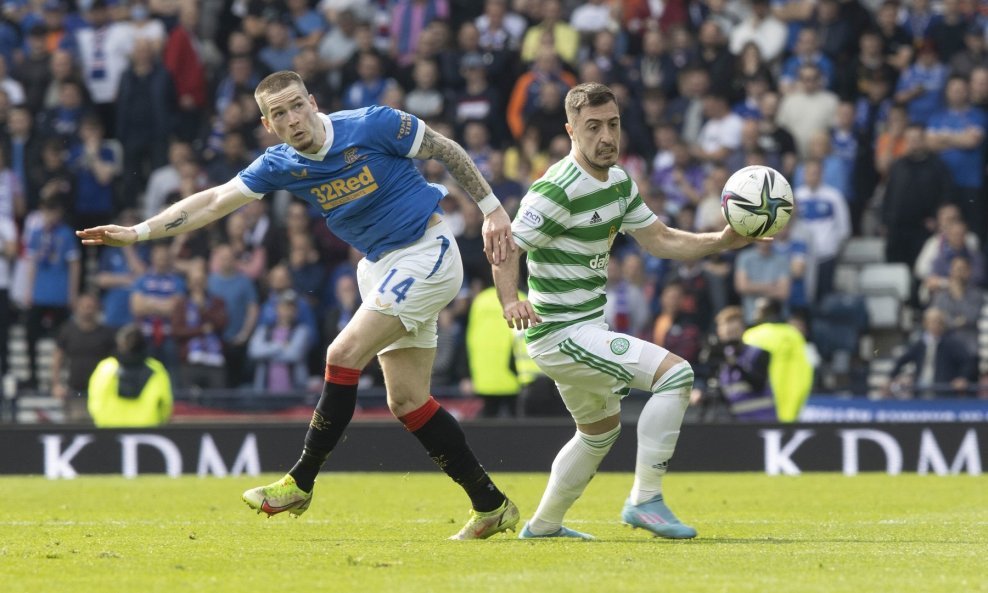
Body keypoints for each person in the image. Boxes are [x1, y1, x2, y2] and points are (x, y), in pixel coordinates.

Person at [78, 70, 520, 540]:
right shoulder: (282, 163)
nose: (292, 119)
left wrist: (492, 209)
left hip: (426, 251)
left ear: (313, 102)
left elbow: (445, 148)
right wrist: (139, 233)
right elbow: (214, 201)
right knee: (407, 400)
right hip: (379, 267)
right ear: (268, 125)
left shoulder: (372, 124)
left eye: (296, 106)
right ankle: (490, 504)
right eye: (279, 114)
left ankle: (300, 481)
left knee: (341, 355)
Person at [492, 83, 753, 541]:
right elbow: (506, 245)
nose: (606, 137)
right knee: (677, 375)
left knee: (598, 432)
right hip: (559, 333)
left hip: (584, 327)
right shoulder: (557, 189)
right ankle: (644, 500)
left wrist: (721, 240)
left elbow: (661, 239)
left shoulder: (618, 182)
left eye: (612, 124)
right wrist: (510, 299)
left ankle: (544, 525)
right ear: (571, 131)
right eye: (593, 127)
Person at [87, 323, 173, 428]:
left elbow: (94, 402)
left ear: (120, 345)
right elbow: (165, 405)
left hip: (109, 430)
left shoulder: (106, 368)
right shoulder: (156, 369)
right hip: (146, 430)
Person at [51, 292, 116, 422]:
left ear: (97, 309)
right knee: (76, 427)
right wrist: (56, 384)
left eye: (90, 307)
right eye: (84, 306)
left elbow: (115, 362)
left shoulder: (107, 333)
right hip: (76, 392)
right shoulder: (67, 331)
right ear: (77, 308)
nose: (87, 310)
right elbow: (58, 358)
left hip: (102, 393)